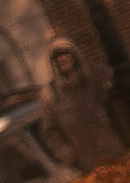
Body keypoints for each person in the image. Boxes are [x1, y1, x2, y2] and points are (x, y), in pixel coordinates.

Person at [39, 37, 119, 173]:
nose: (61, 59)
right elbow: (50, 133)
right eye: (57, 57)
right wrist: (69, 156)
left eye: (65, 53)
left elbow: (118, 102)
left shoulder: (97, 76)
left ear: (74, 55)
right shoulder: (50, 96)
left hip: (118, 151)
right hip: (89, 166)